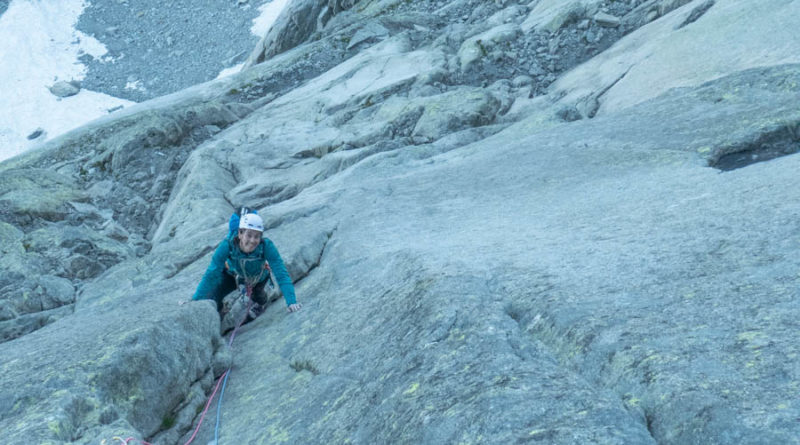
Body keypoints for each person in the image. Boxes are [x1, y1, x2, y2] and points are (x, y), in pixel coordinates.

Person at [187, 210, 301, 316]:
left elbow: (281, 273)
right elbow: (212, 273)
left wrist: (291, 302)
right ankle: (220, 313)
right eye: (249, 235)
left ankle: (258, 302)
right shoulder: (227, 245)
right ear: (240, 234)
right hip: (233, 275)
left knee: (259, 298)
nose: (252, 241)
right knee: (213, 296)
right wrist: (195, 300)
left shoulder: (266, 246)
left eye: (256, 236)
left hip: (258, 279)